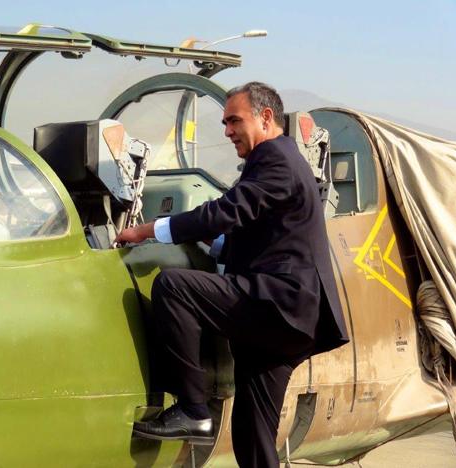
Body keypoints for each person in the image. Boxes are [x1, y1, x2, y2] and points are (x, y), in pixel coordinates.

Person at [115, 82, 349, 467]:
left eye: (234, 120)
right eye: (224, 122)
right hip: (285, 322)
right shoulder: (281, 161)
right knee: (252, 440)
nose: (226, 131)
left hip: (279, 304)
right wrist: (213, 245)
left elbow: (226, 212)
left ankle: (193, 408)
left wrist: (150, 230)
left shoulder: (275, 158)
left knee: (175, 287)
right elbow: (260, 236)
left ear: (266, 117)